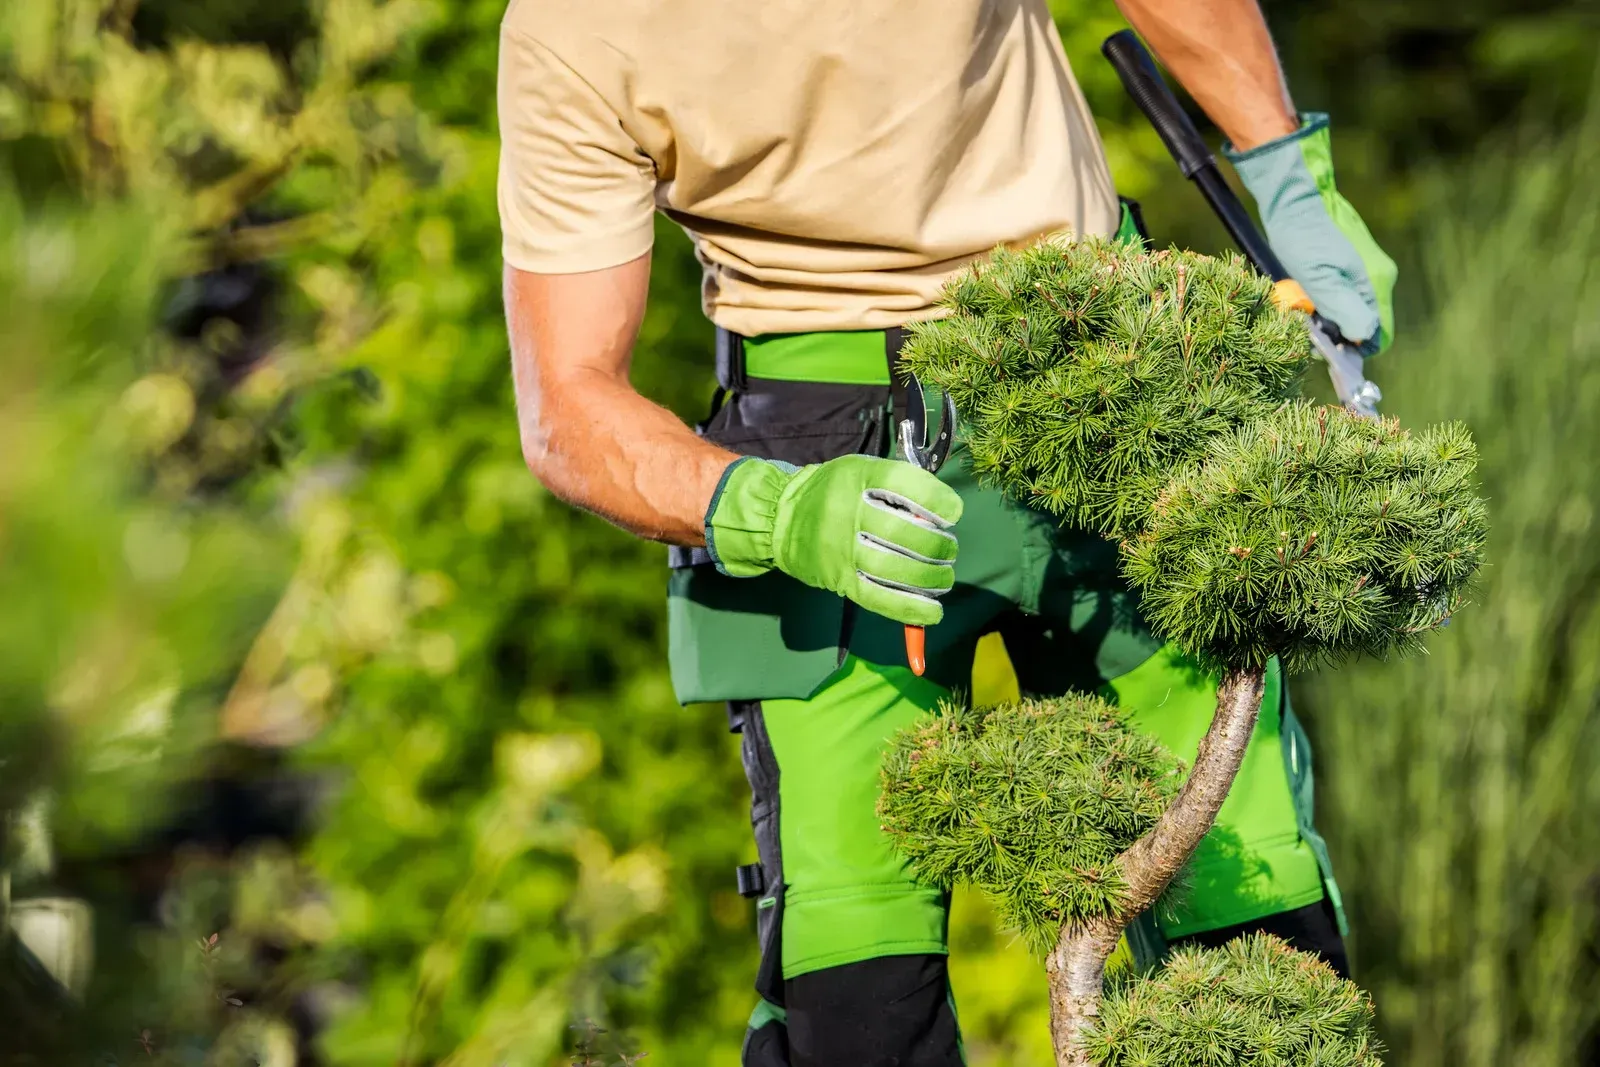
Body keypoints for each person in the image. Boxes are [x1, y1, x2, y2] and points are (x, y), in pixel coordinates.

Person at [497, 1, 1396, 1063]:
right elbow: (566, 404)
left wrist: (1285, 171)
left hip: (1102, 368)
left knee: (1251, 902)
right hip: (818, 445)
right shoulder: (569, 27)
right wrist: (768, 510)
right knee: (850, 981)